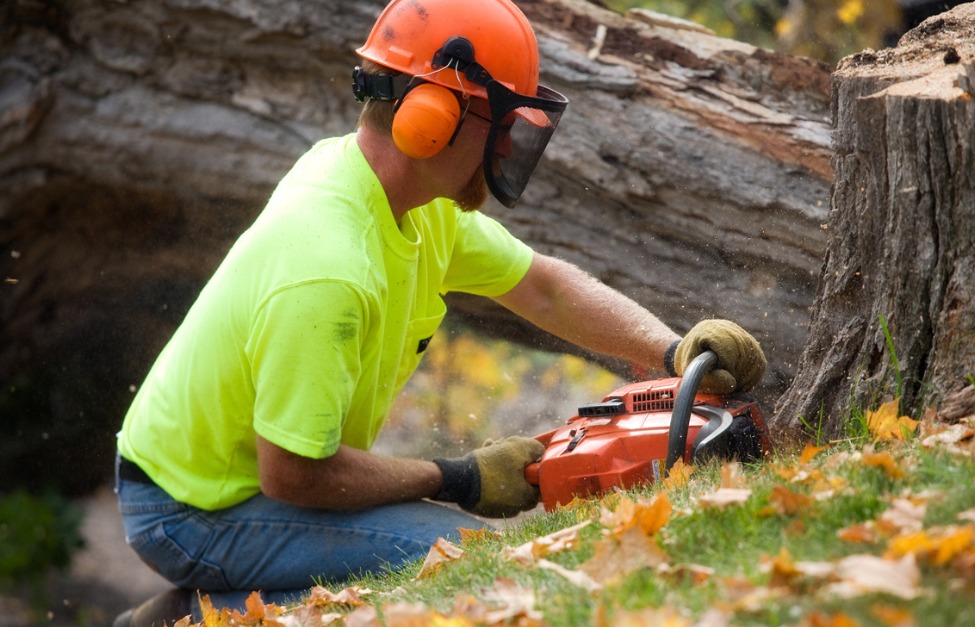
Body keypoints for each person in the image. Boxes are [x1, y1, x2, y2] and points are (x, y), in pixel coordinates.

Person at [112, 0, 768, 624]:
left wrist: (674, 350)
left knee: (451, 556)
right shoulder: (329, 265)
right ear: (432, 117)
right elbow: (294, 474)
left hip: (255, 477)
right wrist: (459, 479)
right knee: (461, 560)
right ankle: (199, 616)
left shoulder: (410, 201)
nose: (508, 147)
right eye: (501, 124)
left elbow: (543, 287)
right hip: (193, 506)